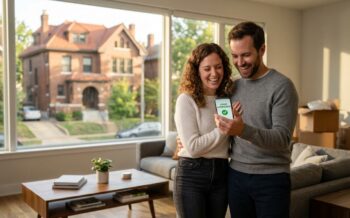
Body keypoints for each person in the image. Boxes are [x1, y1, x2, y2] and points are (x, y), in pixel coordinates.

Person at [215, 21, 298, 218]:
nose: (239, 62)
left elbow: (282, 139)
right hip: (236, 176)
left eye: (246, 55)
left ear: (262, 50)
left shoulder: (282, 86)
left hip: (272, 179)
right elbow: (223, 127)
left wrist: (243, 130)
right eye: (235, 56)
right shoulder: (231, 87)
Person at [173, 43, 235, 218]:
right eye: (207, 68)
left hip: (222, 173)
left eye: (218, 67)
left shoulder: (224, 100)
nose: (214, 74)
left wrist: (229, 130)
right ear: (196, 71)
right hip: (192, 175)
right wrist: (223, 128)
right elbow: (193, 147)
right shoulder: (186, 100)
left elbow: (228, 141)